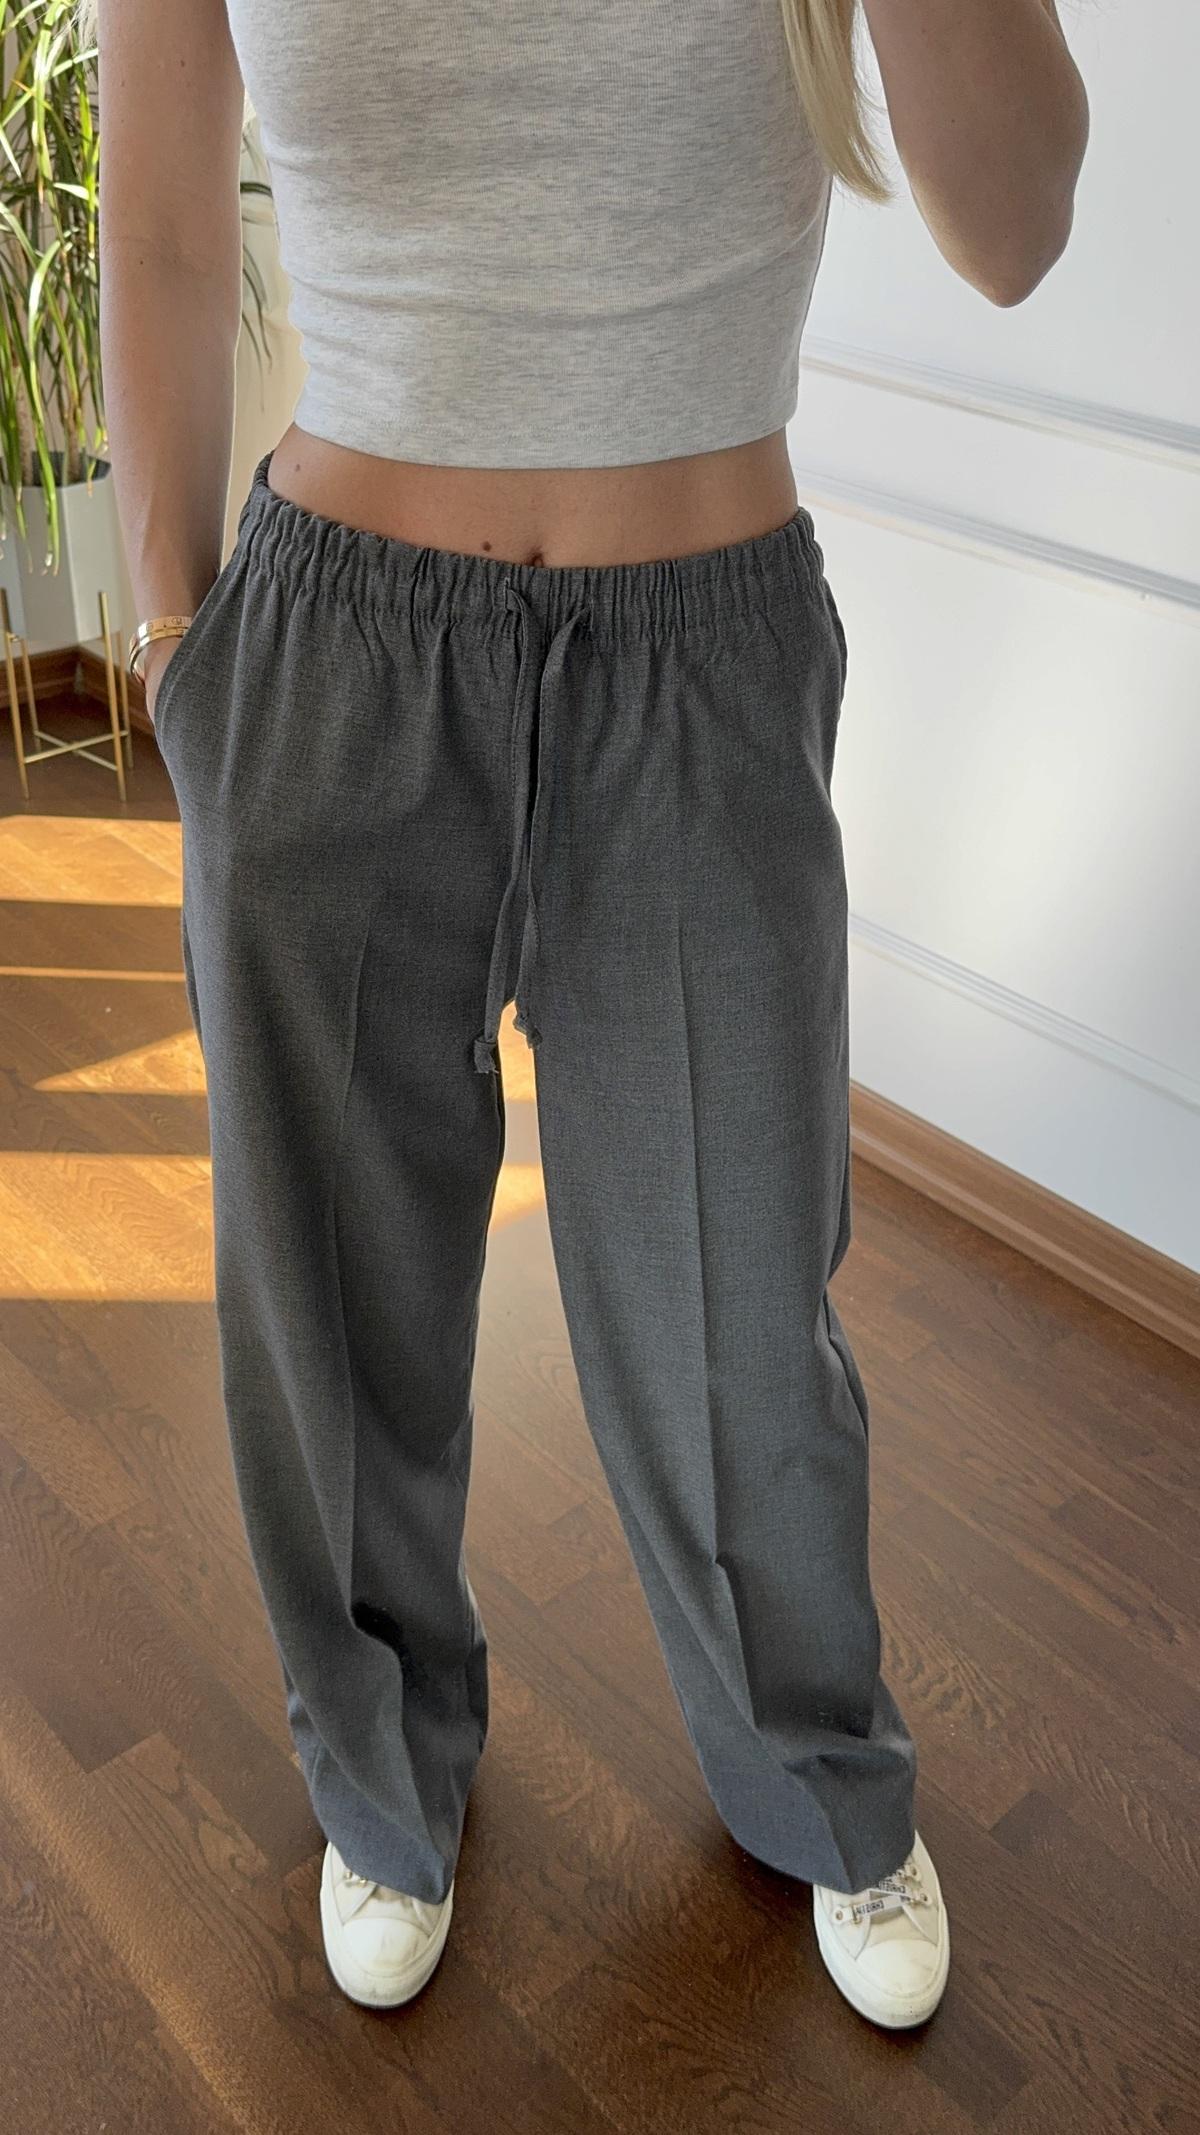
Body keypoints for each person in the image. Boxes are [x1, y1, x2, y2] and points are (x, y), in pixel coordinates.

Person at [96, 0, 1088, 2030]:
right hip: (334, 654)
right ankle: (381, 1780)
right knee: (331, 1306)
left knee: (739, 1310)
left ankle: (816, 1771)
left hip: (701, 663)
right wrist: (186, 649)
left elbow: (1017, 230)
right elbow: (171, 228)